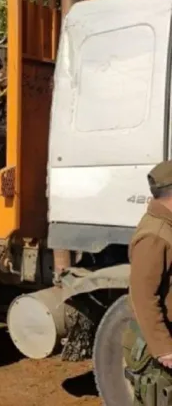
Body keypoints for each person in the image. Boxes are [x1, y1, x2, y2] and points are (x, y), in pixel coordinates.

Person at [125, 160, 172, 404]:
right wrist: (164, 347)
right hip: (158, 353)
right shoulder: (155, 235)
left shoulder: (167, 226)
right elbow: (143, 296)